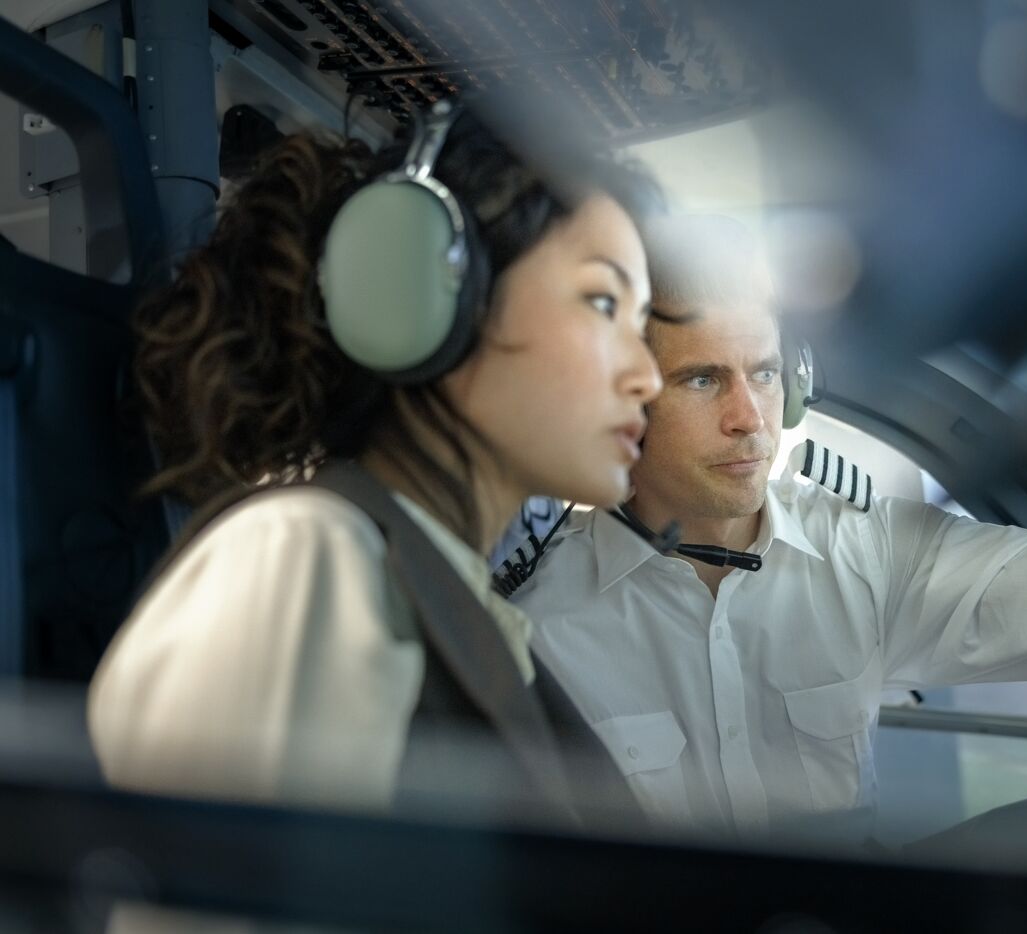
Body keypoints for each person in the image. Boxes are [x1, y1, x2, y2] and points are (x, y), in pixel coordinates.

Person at [513, 214, 1027, 846]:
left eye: (764, 373)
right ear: (626, 396)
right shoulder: (534, 620)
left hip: (856, 912)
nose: (749, 419)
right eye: (701, 379)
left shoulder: (866, 555)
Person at [87, 103, 665, 825]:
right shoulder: (302, 561)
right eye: (603, 302)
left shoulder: (450, 593)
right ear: (426, 294)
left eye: (642, 326)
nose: (649, 376)